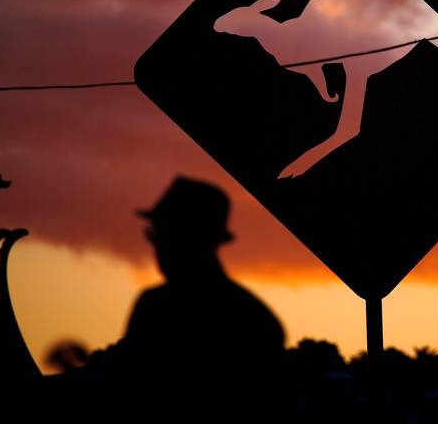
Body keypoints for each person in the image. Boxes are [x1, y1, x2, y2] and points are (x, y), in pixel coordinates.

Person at [86, 176, 287, 412]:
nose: (157, 245)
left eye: (164, 234)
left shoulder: (155, 307)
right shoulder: (255, 317)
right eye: (155, 234)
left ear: (193, 237)